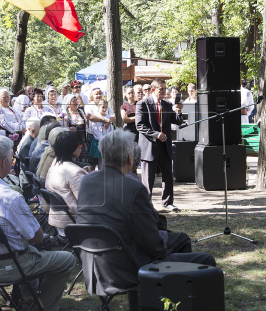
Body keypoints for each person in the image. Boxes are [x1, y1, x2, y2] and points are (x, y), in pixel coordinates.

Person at [76, 129, 215, 310]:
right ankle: (178, 301)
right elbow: (152, 244)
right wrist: (165, 243)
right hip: (129, 269)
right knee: (206, 260)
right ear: (129, 158)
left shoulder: (86, 181)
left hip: (95, 267)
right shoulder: (133, 188)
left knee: (174, 244)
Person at [0, 135, 76, 311]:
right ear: (6, 161)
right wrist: (38, 238)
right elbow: (37, 237)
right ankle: (41, 307)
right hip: (10, 266)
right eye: (13, 158)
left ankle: (30, 301)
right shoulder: (10, 197)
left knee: (27, 250)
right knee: (66, 259)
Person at [136, 79, 183, 211]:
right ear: (153, 90)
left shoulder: (167, 105)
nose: (164, 92)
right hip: (150, 145)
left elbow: (177, 121)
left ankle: (168, 202)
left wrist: (179, 111)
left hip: (165, 146)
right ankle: (146, 204)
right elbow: (140, 125)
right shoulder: (142, 104)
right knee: (148, 178)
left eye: (164, 89)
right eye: (161, 89)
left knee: (168, 175)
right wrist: (155, 134)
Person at [45, 131, 88, 236]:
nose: (82, 148)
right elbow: (86, 202)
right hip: (73, 224)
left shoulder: (55, 164)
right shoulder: (74, 172)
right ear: (72, 149)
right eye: (80, 145)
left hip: (58, 222)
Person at [88, 99, 114, 169]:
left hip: (107, 140)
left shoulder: (108, 117)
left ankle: (107, 172)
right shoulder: (96, 117)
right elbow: (95, 129)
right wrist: (101, 138)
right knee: (100, 158)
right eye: (103, 107)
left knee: (107, 158)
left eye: (106, 107)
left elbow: (111, 129)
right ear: (98, 107)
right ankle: (100, 172)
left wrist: (108, 137)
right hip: (99, 140)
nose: (105, 109)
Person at [64, 96, 89, 164]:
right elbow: (61, 128)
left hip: (82, 140)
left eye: (76, 100)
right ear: (68, 103)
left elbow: (86, 125)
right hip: (71, 140)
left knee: (83, 158)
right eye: (73, 101)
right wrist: (68, 129)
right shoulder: (64, 113)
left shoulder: (80, 111)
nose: (76, 102)